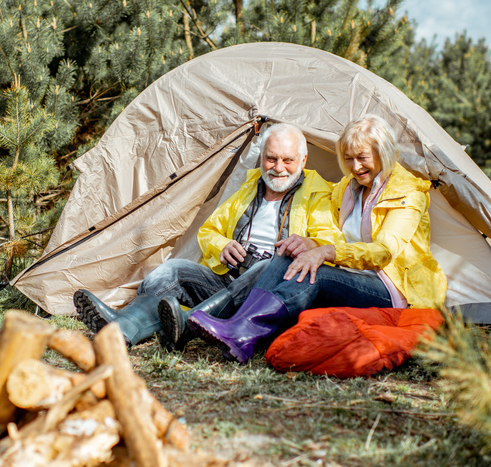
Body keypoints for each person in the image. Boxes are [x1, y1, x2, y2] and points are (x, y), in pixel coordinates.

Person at [188, 115, 447, 363]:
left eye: (363, 158)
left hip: (394, 289)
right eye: (349, 159)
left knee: (316, 275)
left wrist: (326, 252)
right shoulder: (348, 187)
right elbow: (327, 229)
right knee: (289, 253)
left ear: (384, 153)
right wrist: (311, 245)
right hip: (351, 276)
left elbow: (384, 251)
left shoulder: (408, 193)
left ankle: (243, 329)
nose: (356, 167)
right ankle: (240, 329)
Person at [73, 123, 340, 348]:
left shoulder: (318, 194)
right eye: (271, 158)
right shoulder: (251, 187)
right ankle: (122, 328)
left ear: (303, 161)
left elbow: (331, 242)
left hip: (266, 292)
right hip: (231, 277)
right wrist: (222, 245)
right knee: (171, 271)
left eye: (288, 160)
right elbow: (209, 230)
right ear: (262, 158)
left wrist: (311, 243)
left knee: (266, 265)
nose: (278, 167)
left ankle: (189, 323)